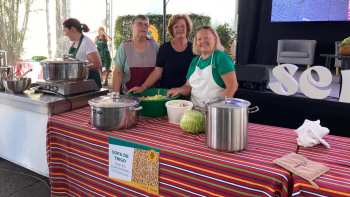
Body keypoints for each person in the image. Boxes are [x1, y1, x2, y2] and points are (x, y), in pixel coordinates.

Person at [167, 25, 238, 108]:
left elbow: (232, 86)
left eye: (206, 38)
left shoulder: (221, 58)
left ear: (214, 39)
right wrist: (179, 90)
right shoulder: (195, 61)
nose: (203, 41)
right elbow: (188, 86)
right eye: (199, 39)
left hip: (215, 114)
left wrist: (217, 109)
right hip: (194, 112)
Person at [127, 14, 196, 94]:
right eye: (176, 26)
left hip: (187, 96)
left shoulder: (194, 49)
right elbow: (157, 72)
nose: (179, 29)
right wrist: (143, 87)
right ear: (171, 30)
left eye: (183, 26)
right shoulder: (165, 48)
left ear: (187, 28)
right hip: (166, 94)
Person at [113, 15, 159, 94]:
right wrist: (115, 96)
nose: (143, 27)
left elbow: (158, 70)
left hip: (152, 96)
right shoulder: (125, 46)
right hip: (129, 96)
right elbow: (118, 72)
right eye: (140, 24)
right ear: (132, 26)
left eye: (146, 25)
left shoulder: (154, 45)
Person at [63, 18, 102, 88]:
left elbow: (98, 64)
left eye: (65, 31)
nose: (65, 34)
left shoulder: (86, 42)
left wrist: (80, 67)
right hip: (79, 81)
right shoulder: (73, 43)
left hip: (90, 80)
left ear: (72, 29)